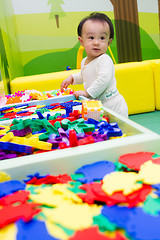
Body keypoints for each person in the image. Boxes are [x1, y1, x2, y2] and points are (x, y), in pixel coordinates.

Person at [60, 12, 128, 117]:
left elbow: (103, 80)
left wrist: (87, 93)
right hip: (98, 105)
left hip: (113, 105)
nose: (96, 42)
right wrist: (72, 78)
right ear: (81, 41)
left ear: (108, 43)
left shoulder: (104, 59)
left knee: (119, 130)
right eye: (91, 38)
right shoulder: (84, 61)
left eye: (102, 38)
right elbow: (85, 75)